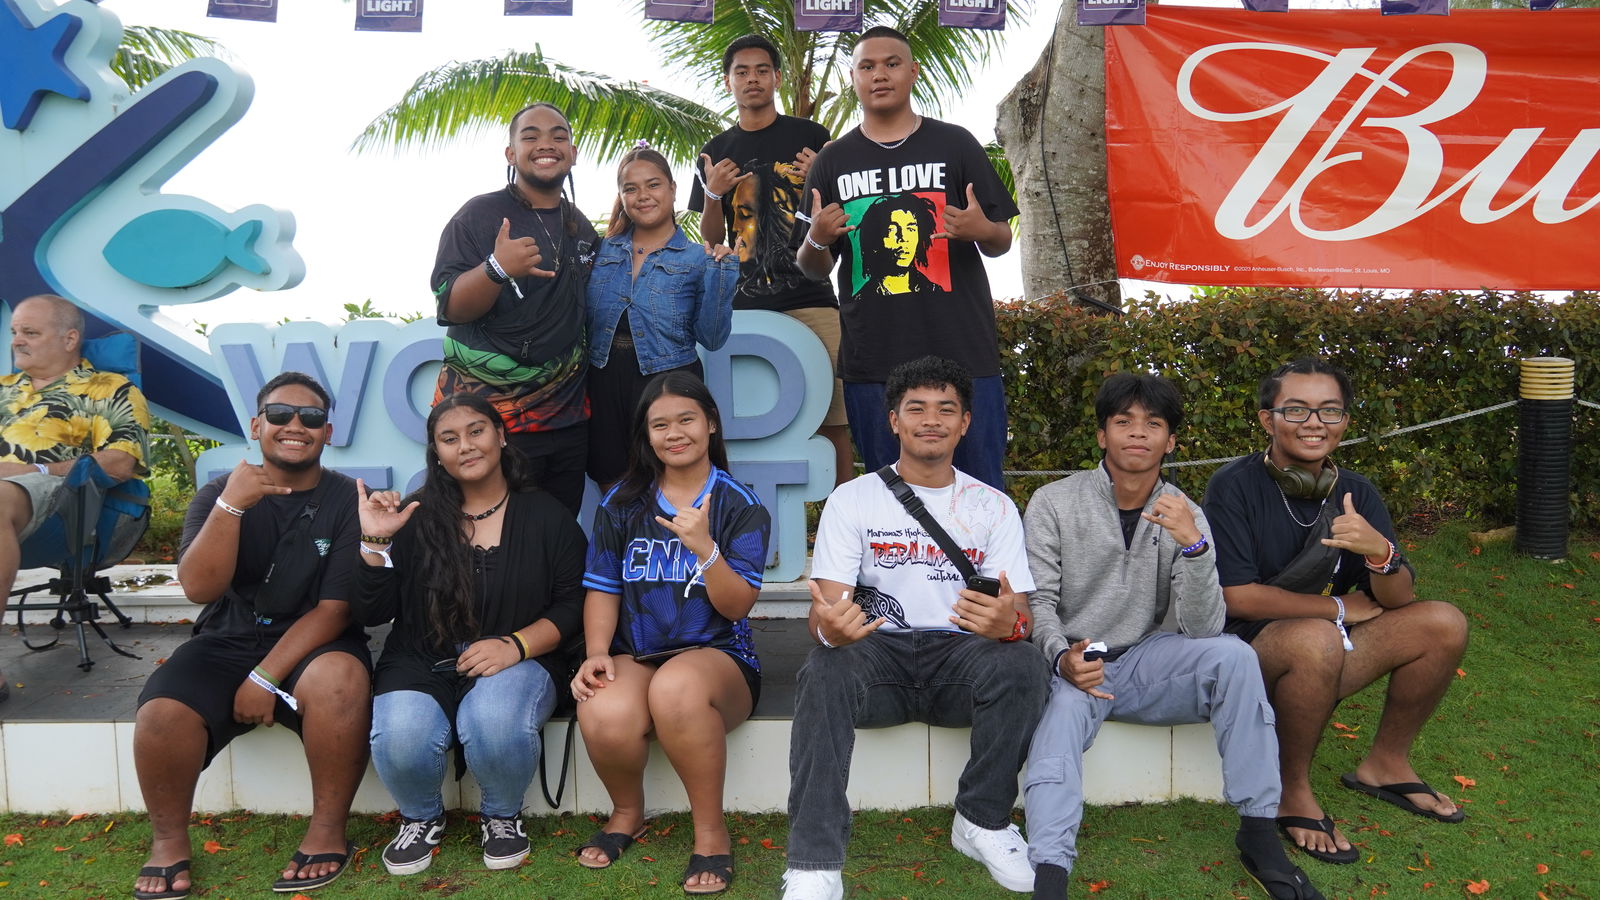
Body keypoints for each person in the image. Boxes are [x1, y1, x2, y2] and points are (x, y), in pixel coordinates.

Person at [1023, 374, 1324, 900]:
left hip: (1148, 660)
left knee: (1232, 656)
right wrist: (1059, 657)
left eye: (1153, 424)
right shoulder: (1054, 502)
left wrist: (1194, 546)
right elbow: (1038, 602)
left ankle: (1258, 832)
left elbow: (1204, 628)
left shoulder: (1187, 512)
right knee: (1060, 728)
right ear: (1102, 436)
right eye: (1123, 422)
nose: (1137, 434)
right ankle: (1050, 872)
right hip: (1078, 661)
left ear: (1171, 441)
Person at [782, 356, 1047, 900]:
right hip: (878, 657)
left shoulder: (992, 506)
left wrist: (1010, 625)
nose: (932, 420)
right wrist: (832, 630)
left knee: (1023, 664)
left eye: (946, 409)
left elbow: (1022, 615)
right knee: (824, 667)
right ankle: (813, 861)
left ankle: (982, 820)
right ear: (894, 421)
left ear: (966, 423)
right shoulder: (852, 498)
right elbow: (825, 614)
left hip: (960, 661)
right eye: (917, 409)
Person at [1203, 358, 1469, 866]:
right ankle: (1291, 788)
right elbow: (1236, 596)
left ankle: (1386, 764)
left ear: (1345, 421)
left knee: (1443, 624)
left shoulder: (1358, 492)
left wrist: (1378, 552)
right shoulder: (1232, 486)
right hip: (1243, 651)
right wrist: (1337, 607)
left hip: (1323, 645)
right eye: (1297, 410)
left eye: (1330, 411)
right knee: (1315, 635)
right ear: (1267, 420)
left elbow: (1398, 601)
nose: (1314, 424)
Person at [132, 372, 369, 898]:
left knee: (340, 679)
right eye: (281, 414)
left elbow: (334, 610)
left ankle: (328, 831)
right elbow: (199, 587)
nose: (295, 425)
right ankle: (169, 842)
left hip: (314, 644)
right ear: (258, 425)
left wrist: (265, 677)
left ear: (326, 432)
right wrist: (232, 506)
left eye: (310, 418)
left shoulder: (348, 500)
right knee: (160, 713)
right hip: (226, 638)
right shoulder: (220, 493)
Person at [351, 392, 586, 875]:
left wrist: (514, 645)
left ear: (500, 436)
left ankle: (501, 816)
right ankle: (421, 818)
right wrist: (376, 541)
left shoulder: (545, 515)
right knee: (399, 736)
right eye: (449, 438)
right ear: (436, 453)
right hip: (421, 655)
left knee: (496, 722)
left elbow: (573, 605)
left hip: (521, 656)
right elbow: (375, 611)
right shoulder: (414, 515)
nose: (466, 445)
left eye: (477, 431)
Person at [572, 371, 771, 895]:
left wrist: (705, 547)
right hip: (640, 654)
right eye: (660, 424)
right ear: (646, 434)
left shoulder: (739, 504)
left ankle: (710, 834)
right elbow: (603, 587)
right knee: (602, 706)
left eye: (686, 419)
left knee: (675, 687)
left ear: (710, 424)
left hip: (718, 659)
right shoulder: (619, 502)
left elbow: (737, 604)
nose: (674, 432)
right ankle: (626, 813)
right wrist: (596, 653)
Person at [796, 27, 1018, 490]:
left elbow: (1000, 240)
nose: (880, 74)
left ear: (913, 72)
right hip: (874, 362)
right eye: (867, 66)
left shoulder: (955, 144)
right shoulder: (831, 161)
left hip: (963, 353)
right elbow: (812, 265)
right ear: (853, 79)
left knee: (980, 494)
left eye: (892, 63)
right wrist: (817, 239)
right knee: (889, 501)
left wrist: (982, 231)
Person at [690, 33, 854, 488]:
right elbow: (710, 240)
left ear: (777, 78)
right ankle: (749, 520)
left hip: (812, 296)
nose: (752, 79)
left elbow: (836, 213)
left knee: (833, 417)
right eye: (741, 72)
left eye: (761, 70)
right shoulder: (715, 148)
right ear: (728, 82)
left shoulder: (812, 137)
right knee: (740, 422)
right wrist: (712, 194)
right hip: (740, 309)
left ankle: (838, 520)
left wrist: (821, 171)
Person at [430, 102, 599, 516]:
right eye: (531, 136)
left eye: (559, 136)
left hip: (567, 420)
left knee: (557, 538)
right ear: (511, 154)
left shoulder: (581, 225)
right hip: (491, 426)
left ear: (573, 153)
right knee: (488, 541)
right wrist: (496, 269)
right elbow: (450, 305)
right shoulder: (479, 215)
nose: (547, 144)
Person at [0, 293, 150, 701]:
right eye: (15, 332)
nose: (17, 340)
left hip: (60, 503)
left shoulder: (109, 388)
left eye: (30, 332)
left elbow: (120, 461)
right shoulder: (3, 389)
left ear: (69, 339)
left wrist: (33, 471)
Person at [586, 144, 738, 488]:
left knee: (671, 483)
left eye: (653, 185)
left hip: (669, 382)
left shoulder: (700, 258)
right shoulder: (599, 251)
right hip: (604, 381)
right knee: (611, 482)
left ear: (672, 189)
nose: (643, 196)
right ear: (621, 196)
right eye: (631, 188)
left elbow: (712, 338)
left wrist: (721, 277)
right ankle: (623, 545)